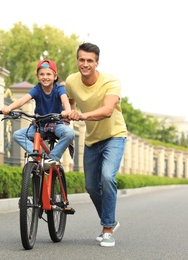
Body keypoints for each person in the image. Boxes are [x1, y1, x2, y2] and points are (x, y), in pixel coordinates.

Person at [65, 42, 127, 247]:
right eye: (81, 59)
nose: (85, 64)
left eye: (89, 61)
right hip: (92, 140)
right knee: (91, 186)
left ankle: (108, 229)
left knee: (107, 177)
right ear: (77, 60)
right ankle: (110, 219)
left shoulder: (112, 81)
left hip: (114, 136)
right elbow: (70, 102)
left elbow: (108, 110)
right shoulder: (72, 81)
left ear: (97, 63)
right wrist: (69, 115)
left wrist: (83, 115)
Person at [1, 59, 75, 170]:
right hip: (40, 126)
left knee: (69, 133)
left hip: (56, 124)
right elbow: (23, 100)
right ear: (37, 76)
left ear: (55, 76)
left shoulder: (59, 89)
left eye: (48, 74)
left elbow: (64, 100)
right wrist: (9, 108)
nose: (45, 77)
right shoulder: (37, 89)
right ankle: (39, 156)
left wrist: (67, 111)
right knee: (17, 135)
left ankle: (52, 158)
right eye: (42, 74)